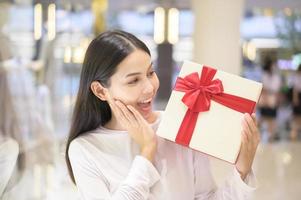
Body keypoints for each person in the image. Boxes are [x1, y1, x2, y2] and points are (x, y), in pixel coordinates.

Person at [65, 30, 260, 200]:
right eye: (133, 81)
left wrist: (241, 170)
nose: (150, 88)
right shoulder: (84, 149)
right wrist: (148, 150)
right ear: (100, 91)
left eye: (150, 73)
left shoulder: (179, 125)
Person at [258, 57, 282, 141]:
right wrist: (264, 99)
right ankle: (258, 134)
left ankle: (271, 136)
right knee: (263, 117)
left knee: (272, 118)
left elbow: (278, 90)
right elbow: (263, 88)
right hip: (265, 98)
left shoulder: (276, 77)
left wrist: (277, 100)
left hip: (273, 98)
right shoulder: (264, 75)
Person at [290, 64, 301, 140]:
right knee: (296, 118)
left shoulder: (296, 77)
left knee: (297, 119)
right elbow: (295, 90)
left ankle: (294, 135)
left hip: (298, 98)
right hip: (298, 98)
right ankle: (293, 136)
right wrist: (295, 99)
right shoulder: (297, 77)